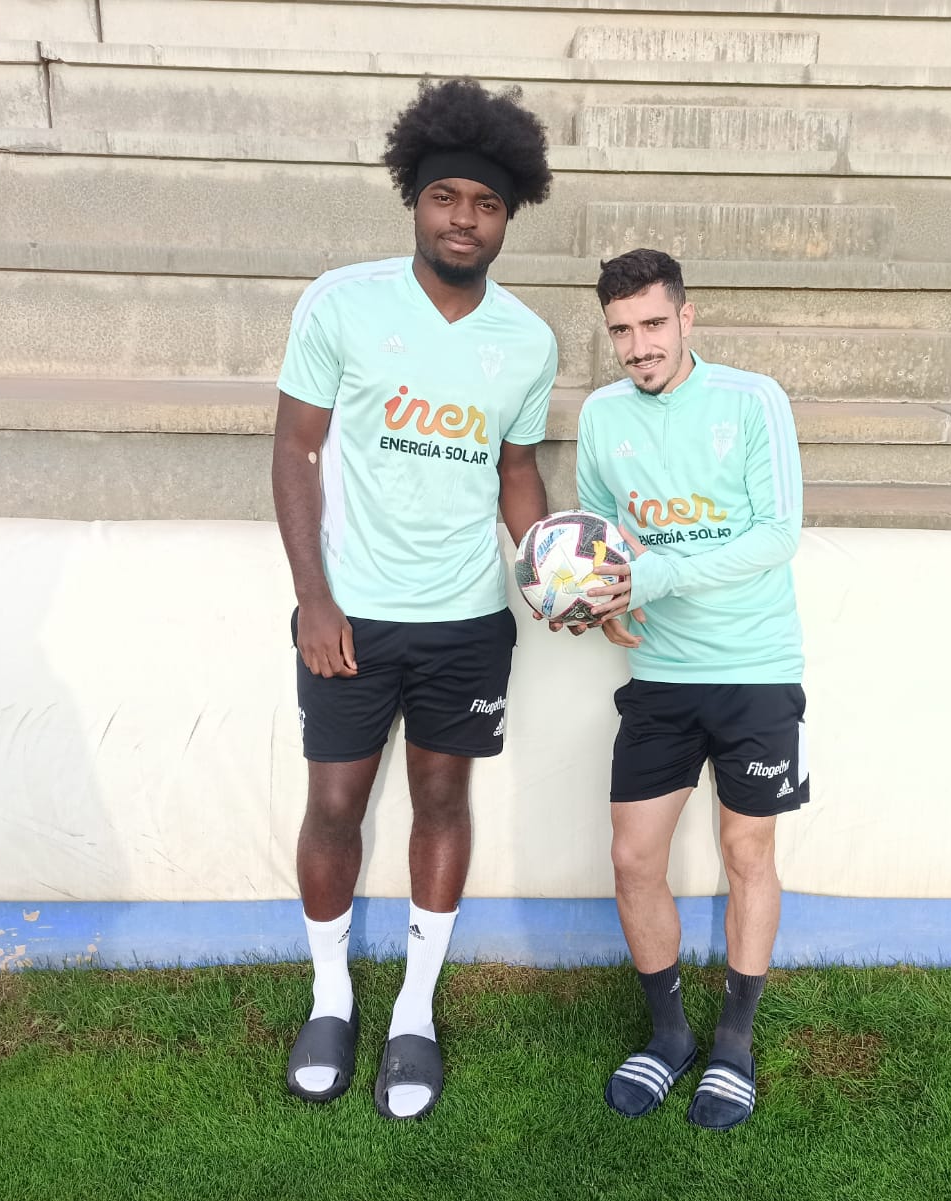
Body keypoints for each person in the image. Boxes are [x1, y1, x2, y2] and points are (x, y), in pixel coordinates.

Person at [271, 76, 556, 1120]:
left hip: (468, 622)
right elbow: (295, 450)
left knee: (442, 803)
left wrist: (552, 568)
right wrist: (313, 597)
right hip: (351, 616)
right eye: (446, 197)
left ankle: (414, 1014)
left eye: (485, 203)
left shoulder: (527, 340)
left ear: (508, 216)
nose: (463, 219)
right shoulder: (341, 303)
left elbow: (516, 472)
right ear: (415, 198)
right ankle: (331, 999)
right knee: (334, 806)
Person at [569, 248, 808, 1131]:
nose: (639, 345)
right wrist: (601, 604)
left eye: (653, 324)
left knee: (748, 854)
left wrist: (655, 579)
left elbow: (777, 534)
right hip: (662, 677)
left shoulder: (752, 400)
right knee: (634, 858)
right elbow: (601, 540)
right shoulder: (602, 416)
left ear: (686, 316)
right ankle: (669, 1035)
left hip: (754, 670)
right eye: (621, 330)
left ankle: (733, 1044)